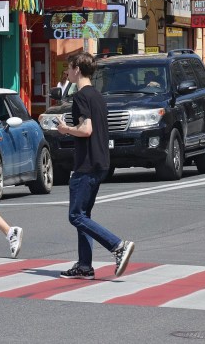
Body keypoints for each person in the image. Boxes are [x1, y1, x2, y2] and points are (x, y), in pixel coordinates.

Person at [56, 52, 134, 279]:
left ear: (77, 69)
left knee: (76, 216)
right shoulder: (98, 96)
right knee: (84, 215)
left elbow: (86, 129)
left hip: (86, 163)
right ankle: (84, 266)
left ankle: (117, 246)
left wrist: (65, 129)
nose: (66, 72)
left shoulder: (80, 97)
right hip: (101, 161)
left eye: (69, 68)